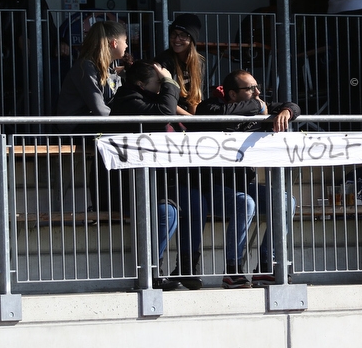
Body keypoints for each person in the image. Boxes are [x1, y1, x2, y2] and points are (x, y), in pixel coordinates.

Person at [181, 69, 300, 289]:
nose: (258, 92)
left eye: (258, 87)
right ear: (232, 94)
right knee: (246, 202)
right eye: (251, 88)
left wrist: (286, 111)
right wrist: (261, 108)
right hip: (212, 188)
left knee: (286, 201)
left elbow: (294, 106)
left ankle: (267, 266)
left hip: (244, 185)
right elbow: (220, 113)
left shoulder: (258, 106)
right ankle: (233, 269)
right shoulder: (210, 107)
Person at [107, 60, 183, 291]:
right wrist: (170, 82)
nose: (162, 87)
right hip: (124, 188)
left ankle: (167, 268)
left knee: (182, 205)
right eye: (158, 83)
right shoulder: (128, 100)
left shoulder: (145, 97)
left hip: (152, 185)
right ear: (140, 83)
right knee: (166, 212)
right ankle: (151, 271)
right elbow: (164, 113)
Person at [54, 20, 128, 125]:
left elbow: (115, 103)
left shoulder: (111, 69)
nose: (126, 45)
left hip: (95, 124)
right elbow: (99, 109)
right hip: (77, 127)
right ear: (114, 43)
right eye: (125, 41)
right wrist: (126, 123)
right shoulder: (85, 67)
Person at [156, 13, 205, 115]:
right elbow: (159, 96)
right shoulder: (164, 60)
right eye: (174, 34)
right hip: (168, 114)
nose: (177, 39)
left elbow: (195, 98)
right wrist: (190, 119)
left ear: (192, 39)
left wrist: (195, 120)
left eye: (183, 35)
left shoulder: (199, 62)